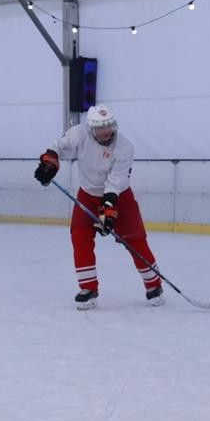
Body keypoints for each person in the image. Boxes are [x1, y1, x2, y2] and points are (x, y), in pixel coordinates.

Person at [34, 104, 164, 310]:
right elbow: (57, 148)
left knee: (135, 241)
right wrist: (49, 164)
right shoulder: (78, 134)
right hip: (87, 196)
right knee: (79, 236)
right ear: (91, 128)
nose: (106, 132)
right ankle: (88, 289)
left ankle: (154, 284)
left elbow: (116, 181)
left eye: (109, 126)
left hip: (120, 198)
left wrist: (109, 211)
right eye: (100, 128)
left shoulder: (125, 147)